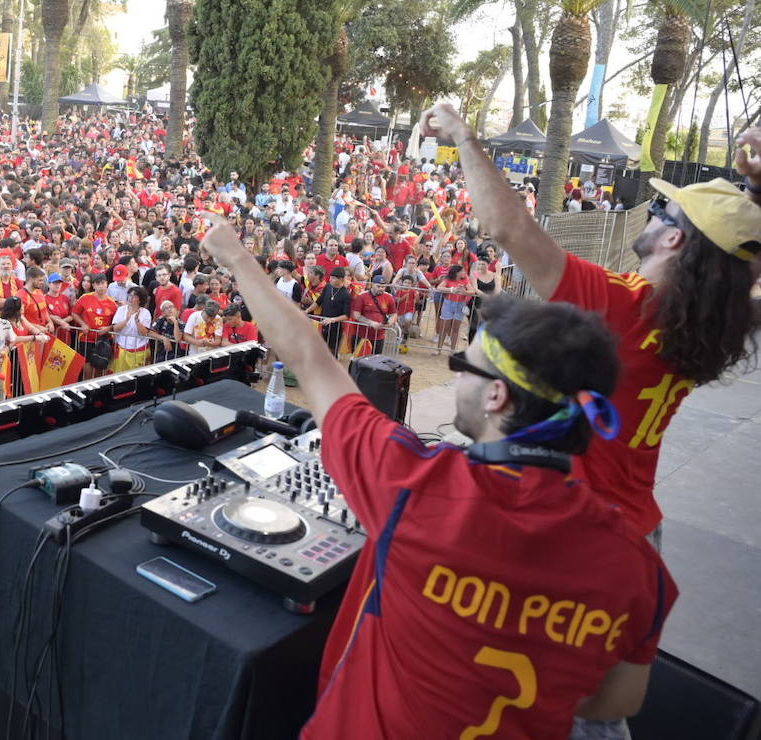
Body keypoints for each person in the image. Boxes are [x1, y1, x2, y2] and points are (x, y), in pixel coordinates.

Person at [200, 211, 677, 739]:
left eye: (464, 369)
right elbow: (617, 698)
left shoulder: (415, 487)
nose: (457, 382)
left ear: (498, 395)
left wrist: (237, 258)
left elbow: (309, 359)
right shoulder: (639, 567)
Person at [422, 104, 761, 542]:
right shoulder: (718, 320)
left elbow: (510, 230)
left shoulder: (624, 305)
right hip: (635, 527)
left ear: (675, 239)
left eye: (663, 208)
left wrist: (464, 136)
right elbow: (737, 257)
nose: (653, 213)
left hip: (576, 526)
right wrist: (753, 197)